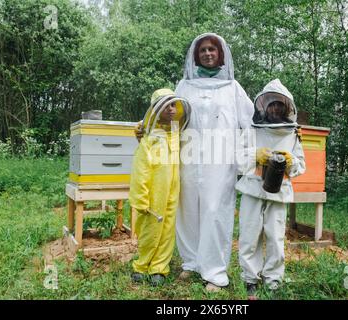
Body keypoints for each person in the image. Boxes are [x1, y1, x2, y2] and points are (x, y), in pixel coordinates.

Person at [175, 33, 254, 291]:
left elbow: (251, 123)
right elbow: (171, 118)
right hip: (188, 156)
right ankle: (191, 263)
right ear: (195, 55)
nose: (208, 53)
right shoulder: (184, 86)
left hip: (221, 160)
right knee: (187, 210)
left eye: (212, 50)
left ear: (221, 54)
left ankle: (215, 272)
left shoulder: (233, 88)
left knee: (214, 211)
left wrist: (249, 155)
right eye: (203, 50)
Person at [235, 79, 306, 299]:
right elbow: (237, 158)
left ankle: (273, 280)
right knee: (249, 234)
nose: (275, 108)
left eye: (279, 105)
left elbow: (300, 166)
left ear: (286, 108)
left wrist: (290, 159)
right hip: (252, 189)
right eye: (272, 104)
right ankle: (250, 279)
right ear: (264, 106)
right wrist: (255, 155)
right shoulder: (251, 129)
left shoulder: (292, 133)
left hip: (279, 191)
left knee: (275, 237)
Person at [129, 88, 191, 286]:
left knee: (167, 229)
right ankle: (142, 265)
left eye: (173, 105)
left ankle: (159, 268)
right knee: (149, 228)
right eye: (166, 105)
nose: (171, 109)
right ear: (156, 109)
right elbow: (141, 170)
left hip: (173, 191)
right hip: (153, 193)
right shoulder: (149, 138)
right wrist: (141, 197)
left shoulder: (176, 131)